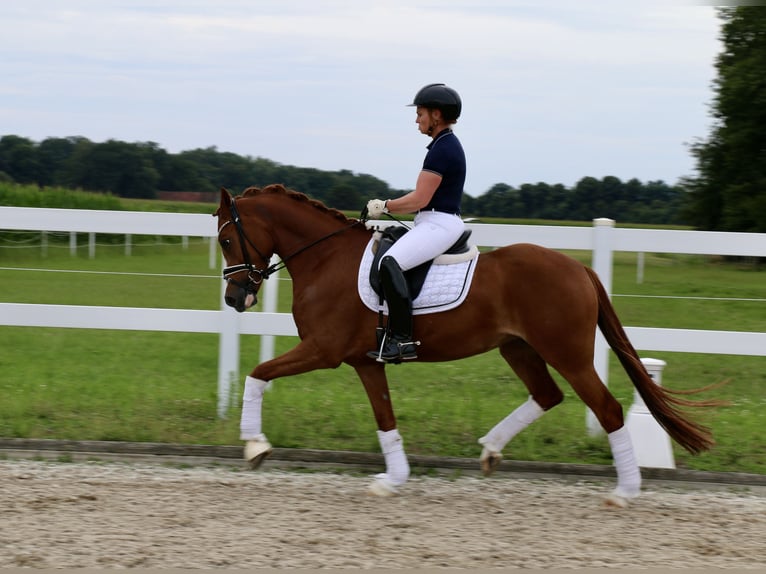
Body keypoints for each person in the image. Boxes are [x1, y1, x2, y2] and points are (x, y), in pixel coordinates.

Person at [365, 83, 467, 363]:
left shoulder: (442, 149)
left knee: (390, 262)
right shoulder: (442, 145)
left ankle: (402, 340)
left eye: (420, 113)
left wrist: (385, 206)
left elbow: (420, 199)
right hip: (434, 221)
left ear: (436, 114)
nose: (416, 119)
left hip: (439, 222)